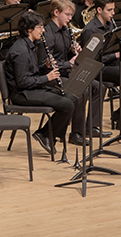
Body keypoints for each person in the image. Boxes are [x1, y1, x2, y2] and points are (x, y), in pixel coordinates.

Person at [5, 11, 76, 155]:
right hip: (21, 94)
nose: (43, 30)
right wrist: (47, 77)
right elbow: (23, 81)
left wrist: (46, 67)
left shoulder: (31, 44)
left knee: (72, 97)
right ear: (29, 29)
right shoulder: (21, 51)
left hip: (31, 88)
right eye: (40, 27)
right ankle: (45, 135)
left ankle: (50, 135)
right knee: (67, 104)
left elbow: (33, 71)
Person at [43, 0, 111, 145]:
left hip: (67, 73)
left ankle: (91, 126)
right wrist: (69, 62)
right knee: (81, 90)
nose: (70, 18)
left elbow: (66, 54)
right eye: (67, 14)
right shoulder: (48, 34)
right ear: (56, 12)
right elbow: (46, 64)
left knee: (99, 87)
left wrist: (73, 51)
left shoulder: (66, 30)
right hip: (52, 77)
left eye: (71, 15)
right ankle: (76, 133)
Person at [80, 0, 121, 132]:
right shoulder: (90, 30)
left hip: (111, 67)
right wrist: (117, 54)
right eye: (109, 10)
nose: (113, 13)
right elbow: (90, 59)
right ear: (99, 10)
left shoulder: (110, 25)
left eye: (113, 9)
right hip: (97, 69)